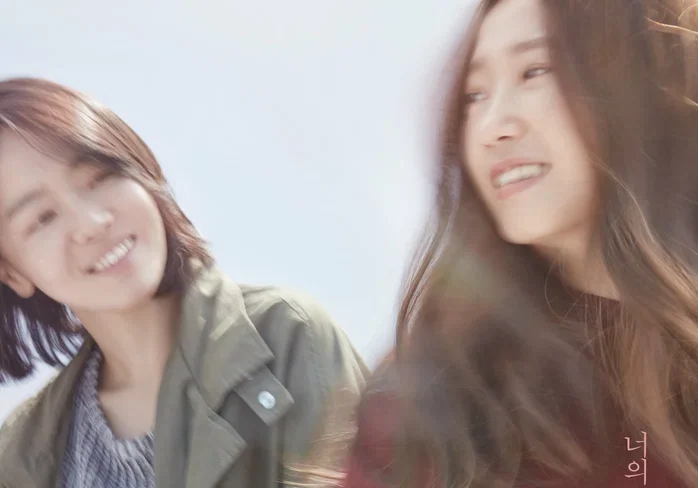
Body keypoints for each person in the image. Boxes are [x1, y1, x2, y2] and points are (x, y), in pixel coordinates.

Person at [341, 0, 698, 487]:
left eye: (534, 71)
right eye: (474, 95)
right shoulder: (429, 406)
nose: (492, 127)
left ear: (646, 84)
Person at [0, 77, 368, 488]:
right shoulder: (18, 455)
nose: (91, 222)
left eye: (98, 178)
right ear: (12, 272)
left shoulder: (286, 336)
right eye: (43, 218)